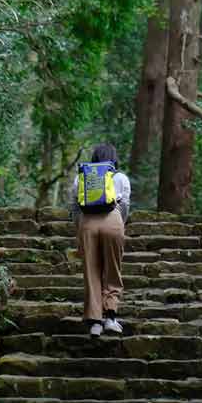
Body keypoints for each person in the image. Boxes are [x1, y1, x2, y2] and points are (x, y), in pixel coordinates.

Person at [67, 142, 131, 337]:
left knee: (91, 271)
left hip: (87, 224)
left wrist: (81, 229)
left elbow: (74, 207)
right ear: (114, 158)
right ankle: (110, 318)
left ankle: (95, 321)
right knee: (113, 270)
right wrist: (119, 223)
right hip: (113, 220)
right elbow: (125, 204)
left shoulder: (82, 178)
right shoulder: (120, 177)